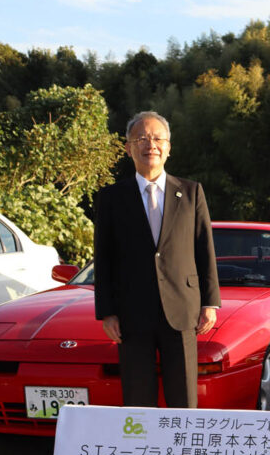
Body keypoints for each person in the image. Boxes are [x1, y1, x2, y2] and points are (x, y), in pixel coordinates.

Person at [93, 111, 220, 408]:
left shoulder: (191, 192)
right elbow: (104, 257)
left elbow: (204, 248)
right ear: (128, 148)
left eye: (157, 138)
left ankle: (182, 453)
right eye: (142, 138)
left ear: (169, 147)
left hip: (182, 309)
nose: (151, 144)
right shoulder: (111, 198)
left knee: (184, 397)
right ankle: (143, 452)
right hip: (131, 313)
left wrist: (210, 302)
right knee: (138, 398)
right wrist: (107, 312)